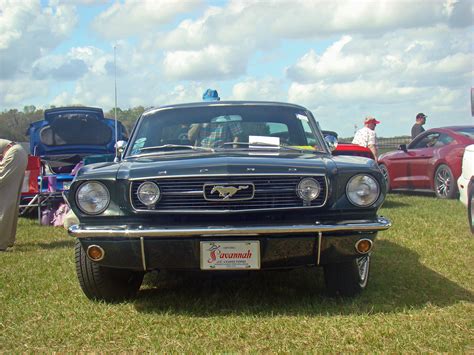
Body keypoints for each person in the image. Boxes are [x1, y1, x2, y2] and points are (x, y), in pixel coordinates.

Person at [0, 139, 28, 251]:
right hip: (18, 153)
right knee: (11, 198)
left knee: (4, 199)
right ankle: (8, 239)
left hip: (14, 154)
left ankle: (1, 242)